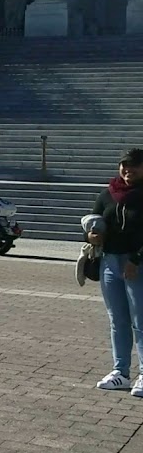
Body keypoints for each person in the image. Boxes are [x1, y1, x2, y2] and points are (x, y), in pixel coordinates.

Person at [90, 148, 143, 396]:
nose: (127, 169)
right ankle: (121, 372)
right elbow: (94, 220)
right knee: (118, 320)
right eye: (124, 165)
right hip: (110, 262)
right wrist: (91, 235)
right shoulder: (107, 194)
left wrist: (136, 259)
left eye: (133, 165)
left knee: (140, 321)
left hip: (137, 264)